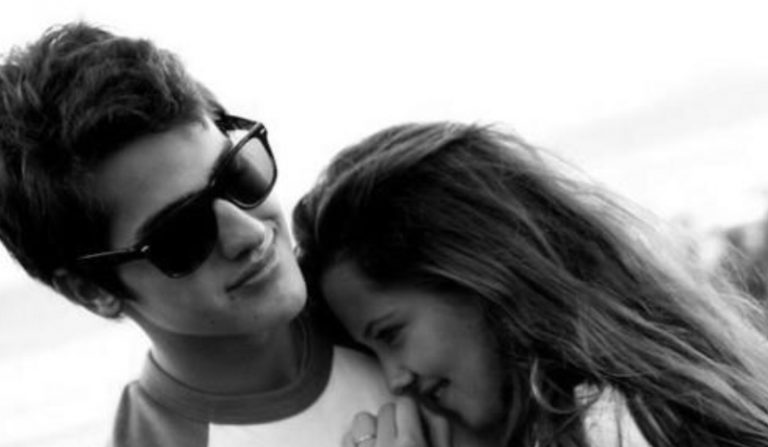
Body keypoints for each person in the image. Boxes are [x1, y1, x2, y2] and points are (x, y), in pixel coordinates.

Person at [0, 22, 391, 447]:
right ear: (91, 290)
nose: (248, 232)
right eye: (183, 230)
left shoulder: (397, 283)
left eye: (237, 174)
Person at [293, 121, 768, 447]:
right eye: (373, 352)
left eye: (391, 334)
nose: (396, 378)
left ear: (480, 274)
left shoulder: (616, 426)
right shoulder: (646, 399)